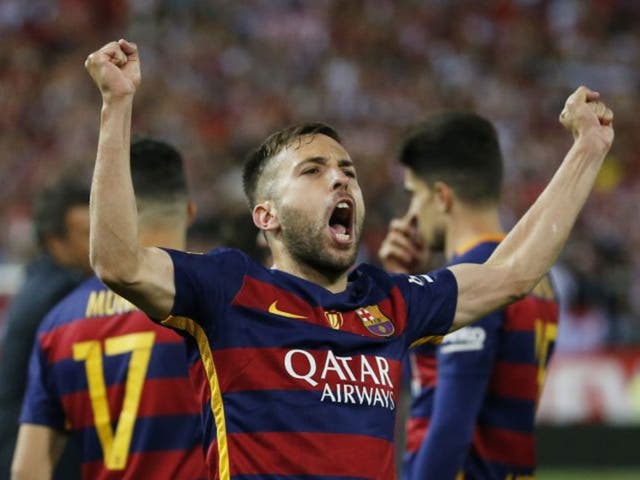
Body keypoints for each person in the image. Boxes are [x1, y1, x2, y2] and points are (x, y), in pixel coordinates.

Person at [83, 38, 613, 479]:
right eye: (312, 170)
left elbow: (512, 273)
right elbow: (119, 263)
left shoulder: (388, 302)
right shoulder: (227, 289)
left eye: (348, 170)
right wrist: (116, 107)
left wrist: (586, 150)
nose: (340, 177)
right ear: (266, 217)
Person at [11, 139, 207, 480]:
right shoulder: (224, 303)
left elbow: (27, 469)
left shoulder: (60, 322)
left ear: (115, 211)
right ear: (190, 210)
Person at [378, 112, 559, 479]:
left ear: (442, 196)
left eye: (415, 196)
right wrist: (411, 284)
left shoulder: (471, 281)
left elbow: (450, 426)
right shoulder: (540, 278)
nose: (411, 214)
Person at [0, 178, 92, 480]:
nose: (98, 241)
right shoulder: (63, 294)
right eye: (86, 234)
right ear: (55, 241)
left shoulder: (38, 279)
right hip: (41, 452)